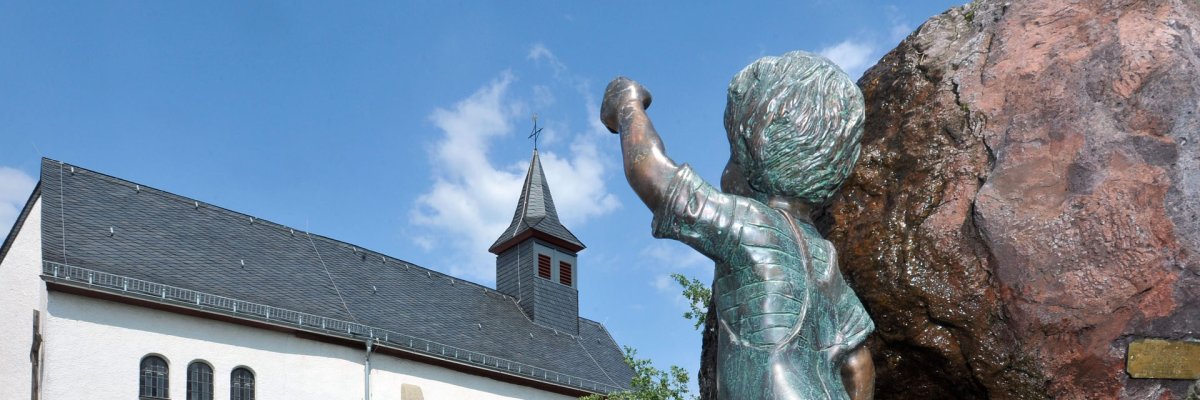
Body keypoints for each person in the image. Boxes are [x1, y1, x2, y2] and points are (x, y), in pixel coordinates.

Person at [601, 51, 875, 400]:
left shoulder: (749, 225)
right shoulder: (824, 256)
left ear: (752, 151)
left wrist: (627, 104)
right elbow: (858, 364)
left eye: (733, 153)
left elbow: (651, 175)